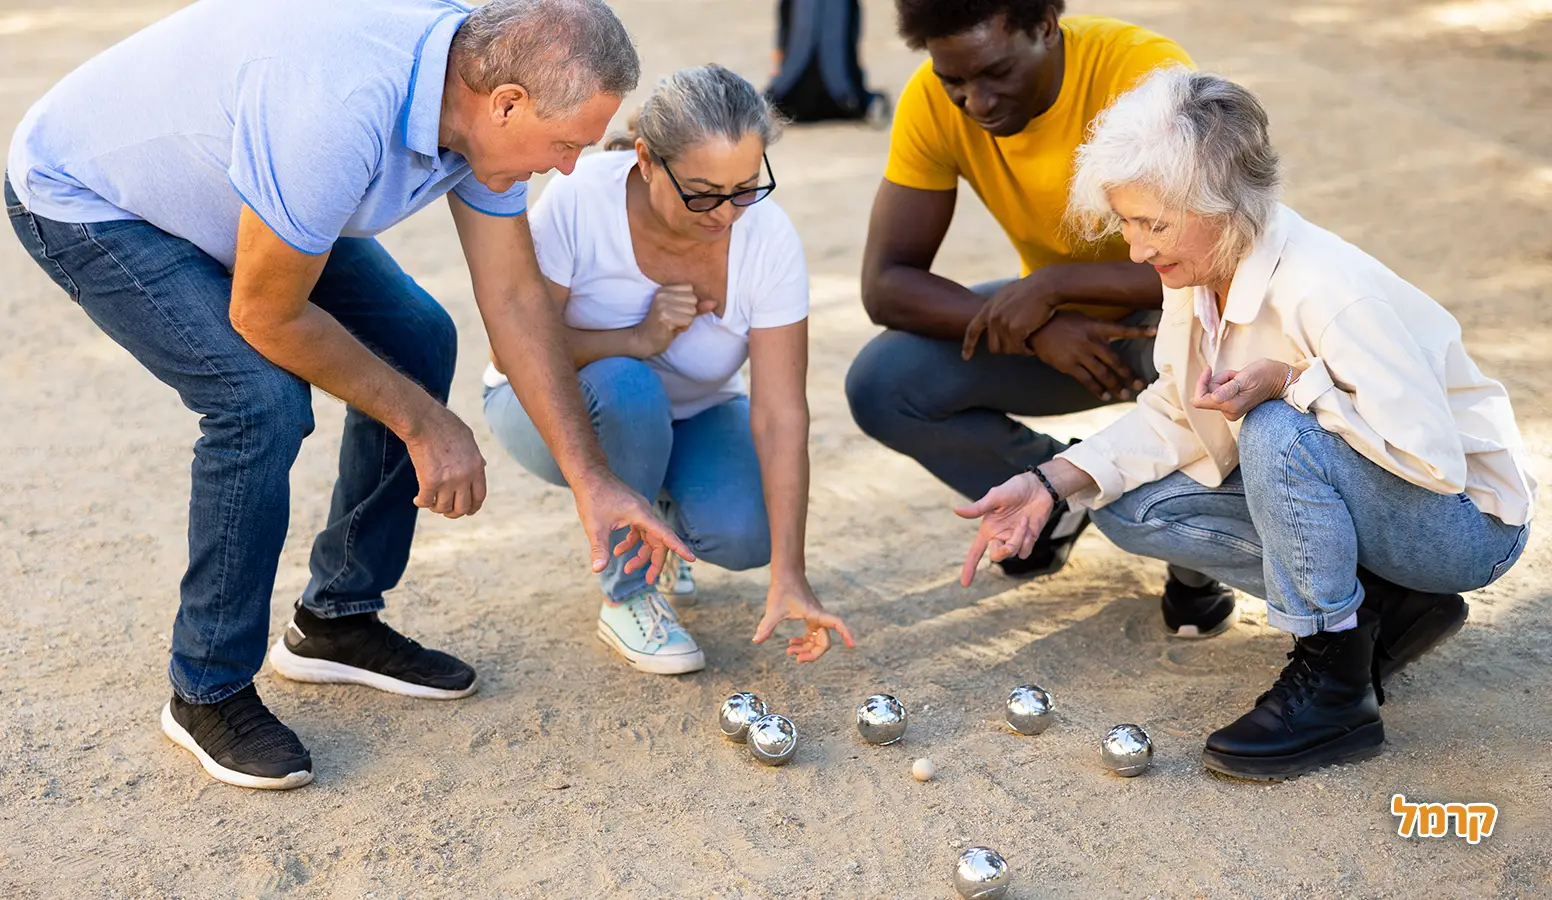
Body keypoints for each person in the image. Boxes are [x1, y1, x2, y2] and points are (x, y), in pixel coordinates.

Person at [4, 0, 692, 791]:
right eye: (566, 144)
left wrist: (593, 480)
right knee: (257, 402)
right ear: (505, 103)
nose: (570, 167)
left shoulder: (485, 100)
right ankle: (207, 688)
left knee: (419, 337)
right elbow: (265, 312)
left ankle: (335, 621)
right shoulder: (338, 109)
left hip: (239, 184)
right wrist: (425, 422)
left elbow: (515, 299)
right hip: (94, 197)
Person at [957, 68, 1536, 780]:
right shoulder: (1198, 275)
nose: (1136, 250)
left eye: (1153, 224)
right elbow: (1176, 415)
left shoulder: (1328, 289)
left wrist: (1292, 382)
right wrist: (1049, 483)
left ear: (1223, 205)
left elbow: (1432, 462)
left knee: (1275, 431)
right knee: (1127, 504)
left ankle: (1334, 688)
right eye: (1129, 223)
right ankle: (1388, 607)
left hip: (1464, 527)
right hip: (1381, 497)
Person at [844, 0, 1237, 638]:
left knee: (1220, 384)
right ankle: (1053, 500)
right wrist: (1038, 325)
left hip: (1183, 314)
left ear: (1044, 28)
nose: (976, 101)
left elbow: (1216, 252)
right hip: (1061, 327)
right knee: (885, 383)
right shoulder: (931, 102)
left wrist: (1055, 287)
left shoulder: (1145, 76)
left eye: (996, 73)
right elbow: (886, 284)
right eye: (956, 82)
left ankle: (1195, 559)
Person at [483, 65, 854, 675]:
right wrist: (638, 336)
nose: (726, 214)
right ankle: (628, 596)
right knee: (630, 383)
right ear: (648, 160)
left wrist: (791, 574)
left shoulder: (768, 237)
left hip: (694, 413)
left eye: (745, 188)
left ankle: (657, 515)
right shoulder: (582, 199)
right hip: (546, 406)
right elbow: (512, 350)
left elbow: (781, 412)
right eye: (704, 192)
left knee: (749, 533)